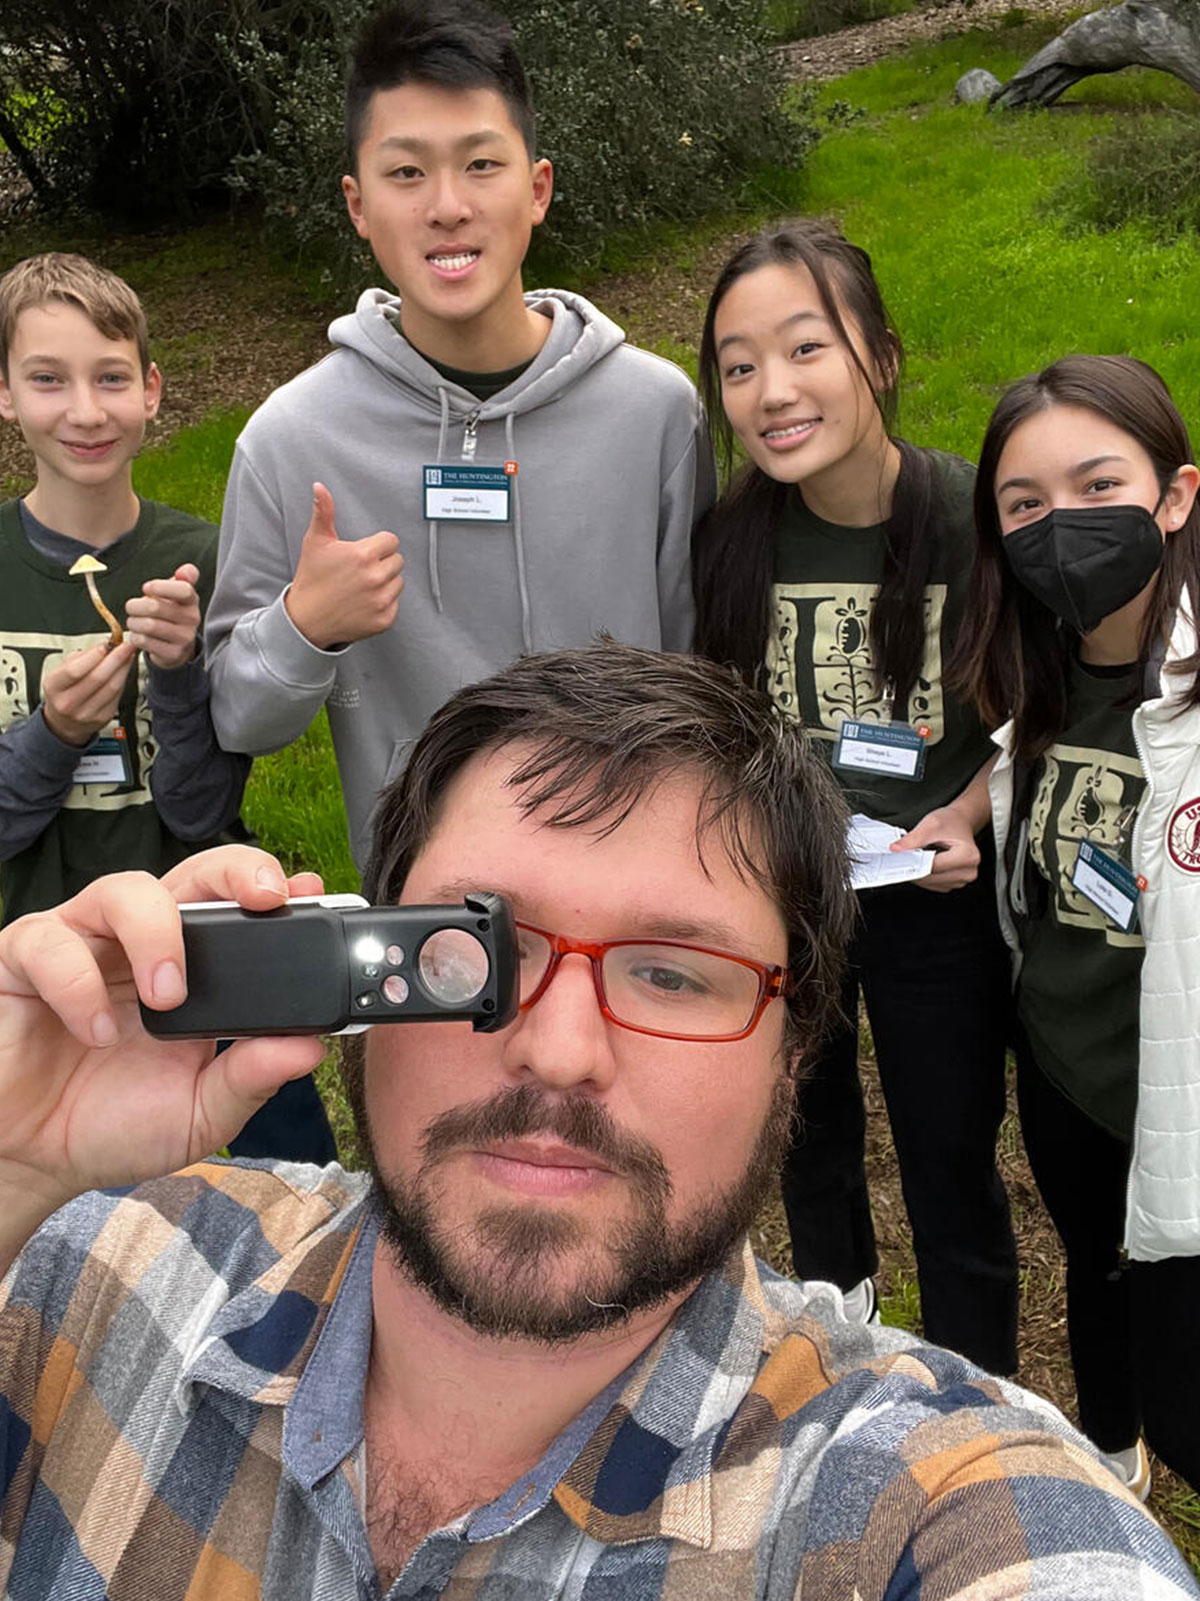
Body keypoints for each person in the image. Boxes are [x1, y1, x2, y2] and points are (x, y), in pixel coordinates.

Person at [1, 639, 1196, 1600]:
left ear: (796, 1054)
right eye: (477, 953)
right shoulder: (82, 1265)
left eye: (674, 973)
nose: (560, 1052)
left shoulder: (925, 1507)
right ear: (351, 967)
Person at [205, 0, 712, 871]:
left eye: (481, 164)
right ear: (358, 206)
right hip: (424, 904)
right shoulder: (290, 440)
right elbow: (239, 717)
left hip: (629, 880)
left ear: (538, 188)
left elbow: (704, 672)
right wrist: (306, 624)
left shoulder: (658, 413)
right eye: (406, 174)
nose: (447, 206)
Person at [692, 220, 1018, 1375]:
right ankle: (839, 1356)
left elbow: (1048, 708)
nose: (771, 390)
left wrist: (969, 815)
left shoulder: (974, 517)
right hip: (791, 894)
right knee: (808, 1142)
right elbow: (722, 717)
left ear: (879, 354)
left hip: (935, 897)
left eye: (804, 349)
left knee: (947, 1156)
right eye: (738, 365)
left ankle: (979, 1392)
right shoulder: (730, 542)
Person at [0, 251, 336, 1167]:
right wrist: (56, 732)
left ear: (151, 390)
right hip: (31, 976)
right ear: (6, 394)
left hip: (206, 960)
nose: (84, 410)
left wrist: (181, 669)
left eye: (111, 378)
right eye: (47, 379)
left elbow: (198, 809)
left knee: (277, 1194)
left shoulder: (204, 556)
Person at [954, 354, 1200, 1500]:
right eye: (1026, 505)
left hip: (1176, 1087)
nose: (1064, 526)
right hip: (1061, 1065)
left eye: (1100, 487)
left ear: (1177, 495)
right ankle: (1111, 1443)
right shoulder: (1030, 675)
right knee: (1093, 1274)